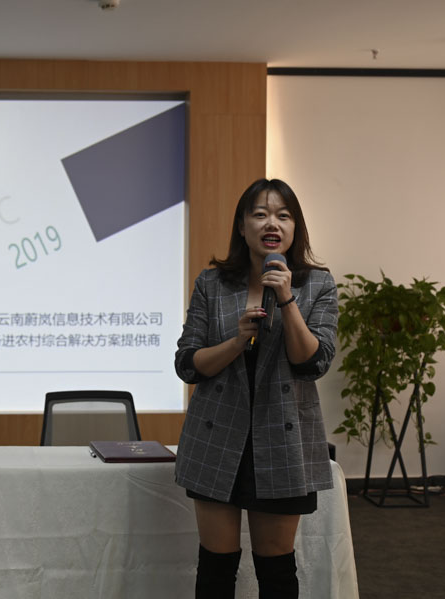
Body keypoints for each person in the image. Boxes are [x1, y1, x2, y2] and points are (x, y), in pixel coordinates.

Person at [174, 178, 337, 599]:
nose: (272, 223)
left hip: (282, 440)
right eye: (260, 214)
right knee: (215, 568)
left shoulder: (317, 284)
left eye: (283, 215)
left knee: (276, 569)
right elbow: (187, 364)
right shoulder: (212, 284)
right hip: (216, 438)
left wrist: (286, 298)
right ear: (242, 226)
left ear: (295, 228)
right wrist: (235, 341)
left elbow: (312, 362)